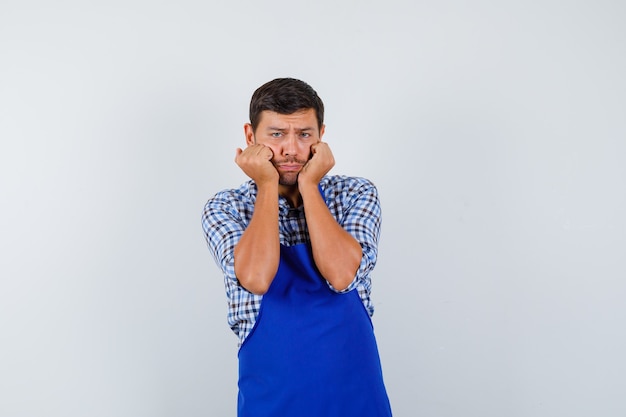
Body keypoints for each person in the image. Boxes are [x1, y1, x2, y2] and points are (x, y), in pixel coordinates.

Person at [201, 78, 392, 417]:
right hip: (273, 403)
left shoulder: (355, 195)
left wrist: (309, 185)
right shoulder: (226, 208)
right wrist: (266, 184)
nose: (291, 149)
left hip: (356, 401)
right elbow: (256, 278)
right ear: (250, 137)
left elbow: (342, 276)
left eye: (304, 134)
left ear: (321, 136)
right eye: (276, 135)